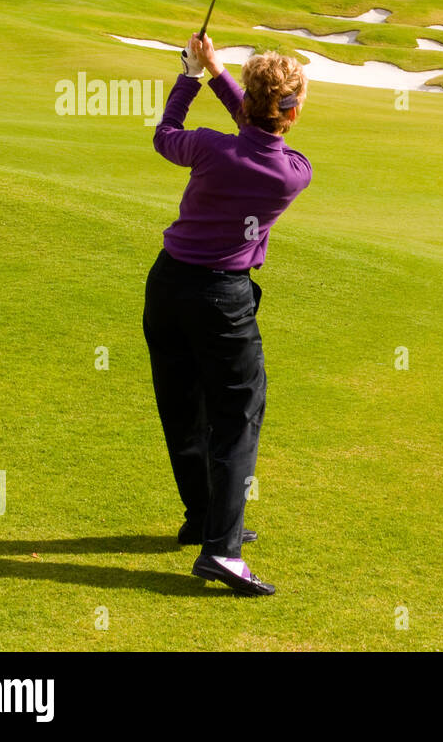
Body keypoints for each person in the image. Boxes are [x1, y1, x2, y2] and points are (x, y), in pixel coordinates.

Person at [142, 34, 312, 596]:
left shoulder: (211, 148)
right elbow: (256, 124)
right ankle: (222, 551)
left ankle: (203, 516)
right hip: (223, 300)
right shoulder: (292, 172)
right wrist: (215, 73)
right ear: (291, 110)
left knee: (182, 403)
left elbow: (166, 134)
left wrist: (193, 75)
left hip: (167, 286)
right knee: (239, 416)